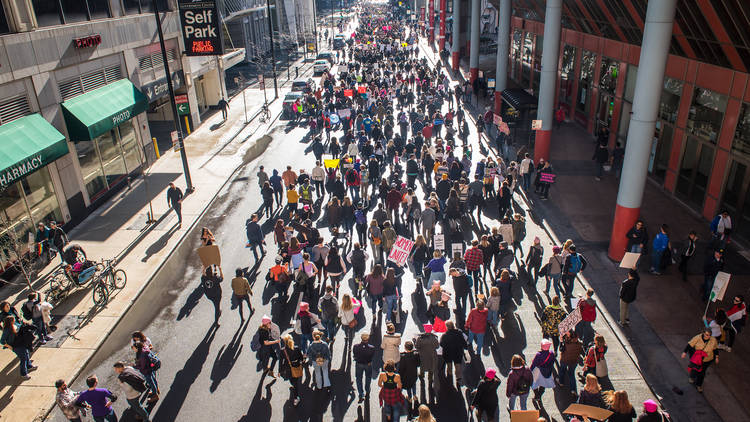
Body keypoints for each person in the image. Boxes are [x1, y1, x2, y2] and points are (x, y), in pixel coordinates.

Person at [681, 328, 718, 392]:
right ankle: (692, 377)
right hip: (697, 359)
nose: (708, 336)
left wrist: (717, 357)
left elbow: (715, 349)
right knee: (695, 368)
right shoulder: (697, 337)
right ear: (703, 333)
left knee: (702, 373)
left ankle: (699, 385)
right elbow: (689, 345)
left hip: (706, 360)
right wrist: (684, 352)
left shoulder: (713, 340)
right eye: (706, 335)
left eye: (709, 335)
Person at [530, 339, 555, 404]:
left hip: (538, 371)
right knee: (543, 384)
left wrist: (530, 371)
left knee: (533, 383)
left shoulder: (538, 354)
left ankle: (536, 395)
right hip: (547, 371)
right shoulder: (551, 353)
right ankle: (539, 396)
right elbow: (552, 362)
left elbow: (534, 364)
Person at [559, 330, 584, 395]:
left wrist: (561, 342)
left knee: (562, 371)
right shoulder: (580, 344)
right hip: (574, 361)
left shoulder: (566, 344)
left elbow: (561, 349)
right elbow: (583, 353)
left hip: (565, 360)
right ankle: (573, 389)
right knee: (571, 374)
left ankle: (561, 382)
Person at [281, 335, 304, 405]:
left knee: (291, 379)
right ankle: (296, 398)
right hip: (296, 367)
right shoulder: (296, 348)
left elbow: (281, 362)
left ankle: (295, 393)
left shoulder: (283, 351)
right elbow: (301, 358)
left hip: (288, 369)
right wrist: (299, 362)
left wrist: (280, 371)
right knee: (296, 381)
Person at [399, 341, 421, 411]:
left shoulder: (403, 356)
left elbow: (401, 368)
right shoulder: (416, 354)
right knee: (413, 383)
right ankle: (414, 395)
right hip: (414, 373)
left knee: (408, 385)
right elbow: (418, 364)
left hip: (406, 375)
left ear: (405, 348)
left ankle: (409, 397)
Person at [353, 333, 376, 402]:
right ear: (368, 339)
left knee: (359, 378)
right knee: (368, 377)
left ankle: (361, 393)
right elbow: (372, 356)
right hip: (368, 364)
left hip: (359, 364)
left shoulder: (356, 346)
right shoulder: (372, 348)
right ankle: (367, 389)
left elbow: (355, 354)